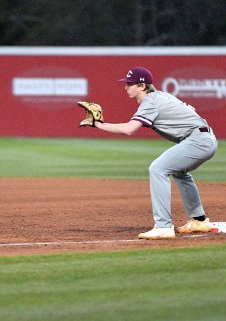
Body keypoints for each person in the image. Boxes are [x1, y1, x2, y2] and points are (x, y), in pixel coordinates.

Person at [82, 67, 217, 240]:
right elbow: (191, 108)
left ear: (142, 85)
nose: (126, 87)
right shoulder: (162, 96)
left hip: (197, 140)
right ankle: (199, 221)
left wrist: (98, 124)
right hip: (205, 138)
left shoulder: (150, 101)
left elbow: (129, 129)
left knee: (158, 169)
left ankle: (163, 227)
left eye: (131, 84)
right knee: (179, 172)